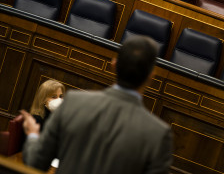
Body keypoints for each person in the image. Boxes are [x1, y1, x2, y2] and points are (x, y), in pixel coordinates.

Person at [21, 36, 173, 174]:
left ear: (114, 65)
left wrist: (33, 134)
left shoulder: (73, 102)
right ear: (151, 76)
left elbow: (36, 161)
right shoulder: (158, 134)